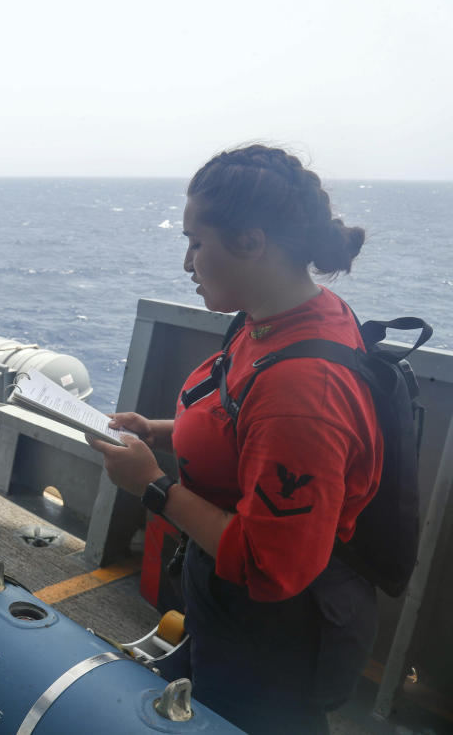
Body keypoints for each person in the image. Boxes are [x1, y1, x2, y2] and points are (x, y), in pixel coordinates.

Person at [87, 145, 379, 733]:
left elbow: (268, 567)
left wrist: (152, 487)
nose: (188, 262)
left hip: (273, 640)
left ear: (251, 241)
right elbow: (238, 424)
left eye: (197, 242)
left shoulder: (304, 392)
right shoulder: (272, 319)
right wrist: (160, 433)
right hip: (227, 611)